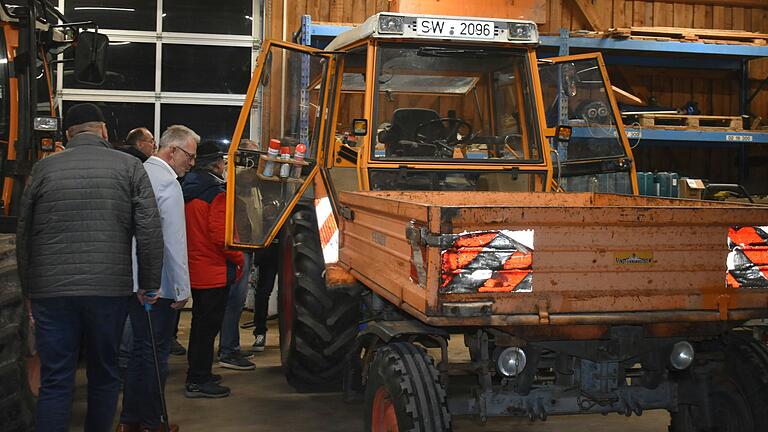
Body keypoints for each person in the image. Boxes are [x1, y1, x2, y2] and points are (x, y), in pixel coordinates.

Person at [16, 103, 163, 432]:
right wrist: (149, 284)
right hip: (108, 291)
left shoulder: (43, 170)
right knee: (104, 375)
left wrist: (28, 290)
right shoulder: (130, 168)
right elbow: (150, 231)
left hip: (51, 292)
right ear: (104, 132)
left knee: (56, 380)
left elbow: (23, 233)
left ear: (67, 135)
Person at [117, 125, 198, 432]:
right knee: (154, 356)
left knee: (140, 352)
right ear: (172, 151)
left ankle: (130, 421)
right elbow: (174, 242)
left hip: (133, 282)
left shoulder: (137, 174)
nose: (191, 163)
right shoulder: (167, 184)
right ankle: (152, 422)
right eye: (189, 156)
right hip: (158, 286)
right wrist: (181, 288)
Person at [182, 140, 244, 398]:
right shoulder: (217, 192)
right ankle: (198, 380)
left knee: (199, 326)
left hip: (195, 267)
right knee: (207, 330)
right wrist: (240, 258)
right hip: (214, 270)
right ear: (218, 164)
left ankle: (199, 373)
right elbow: (222, 237)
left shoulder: (187, 186)